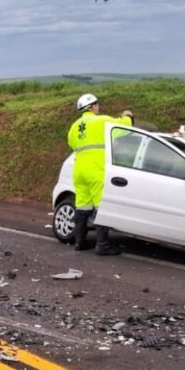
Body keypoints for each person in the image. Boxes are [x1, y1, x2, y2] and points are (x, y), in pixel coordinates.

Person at [67, 93, 134, 255]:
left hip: (79, 171)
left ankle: (79, 242)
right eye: (96, 104)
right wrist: (128, 116)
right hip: (96, 170)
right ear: (91, 106)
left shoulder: (74, 127)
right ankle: (102, 245)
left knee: (82, 207)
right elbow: (124, 127)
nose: (98, 107)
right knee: (101, 207)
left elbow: (72, 144)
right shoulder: (101, 120)